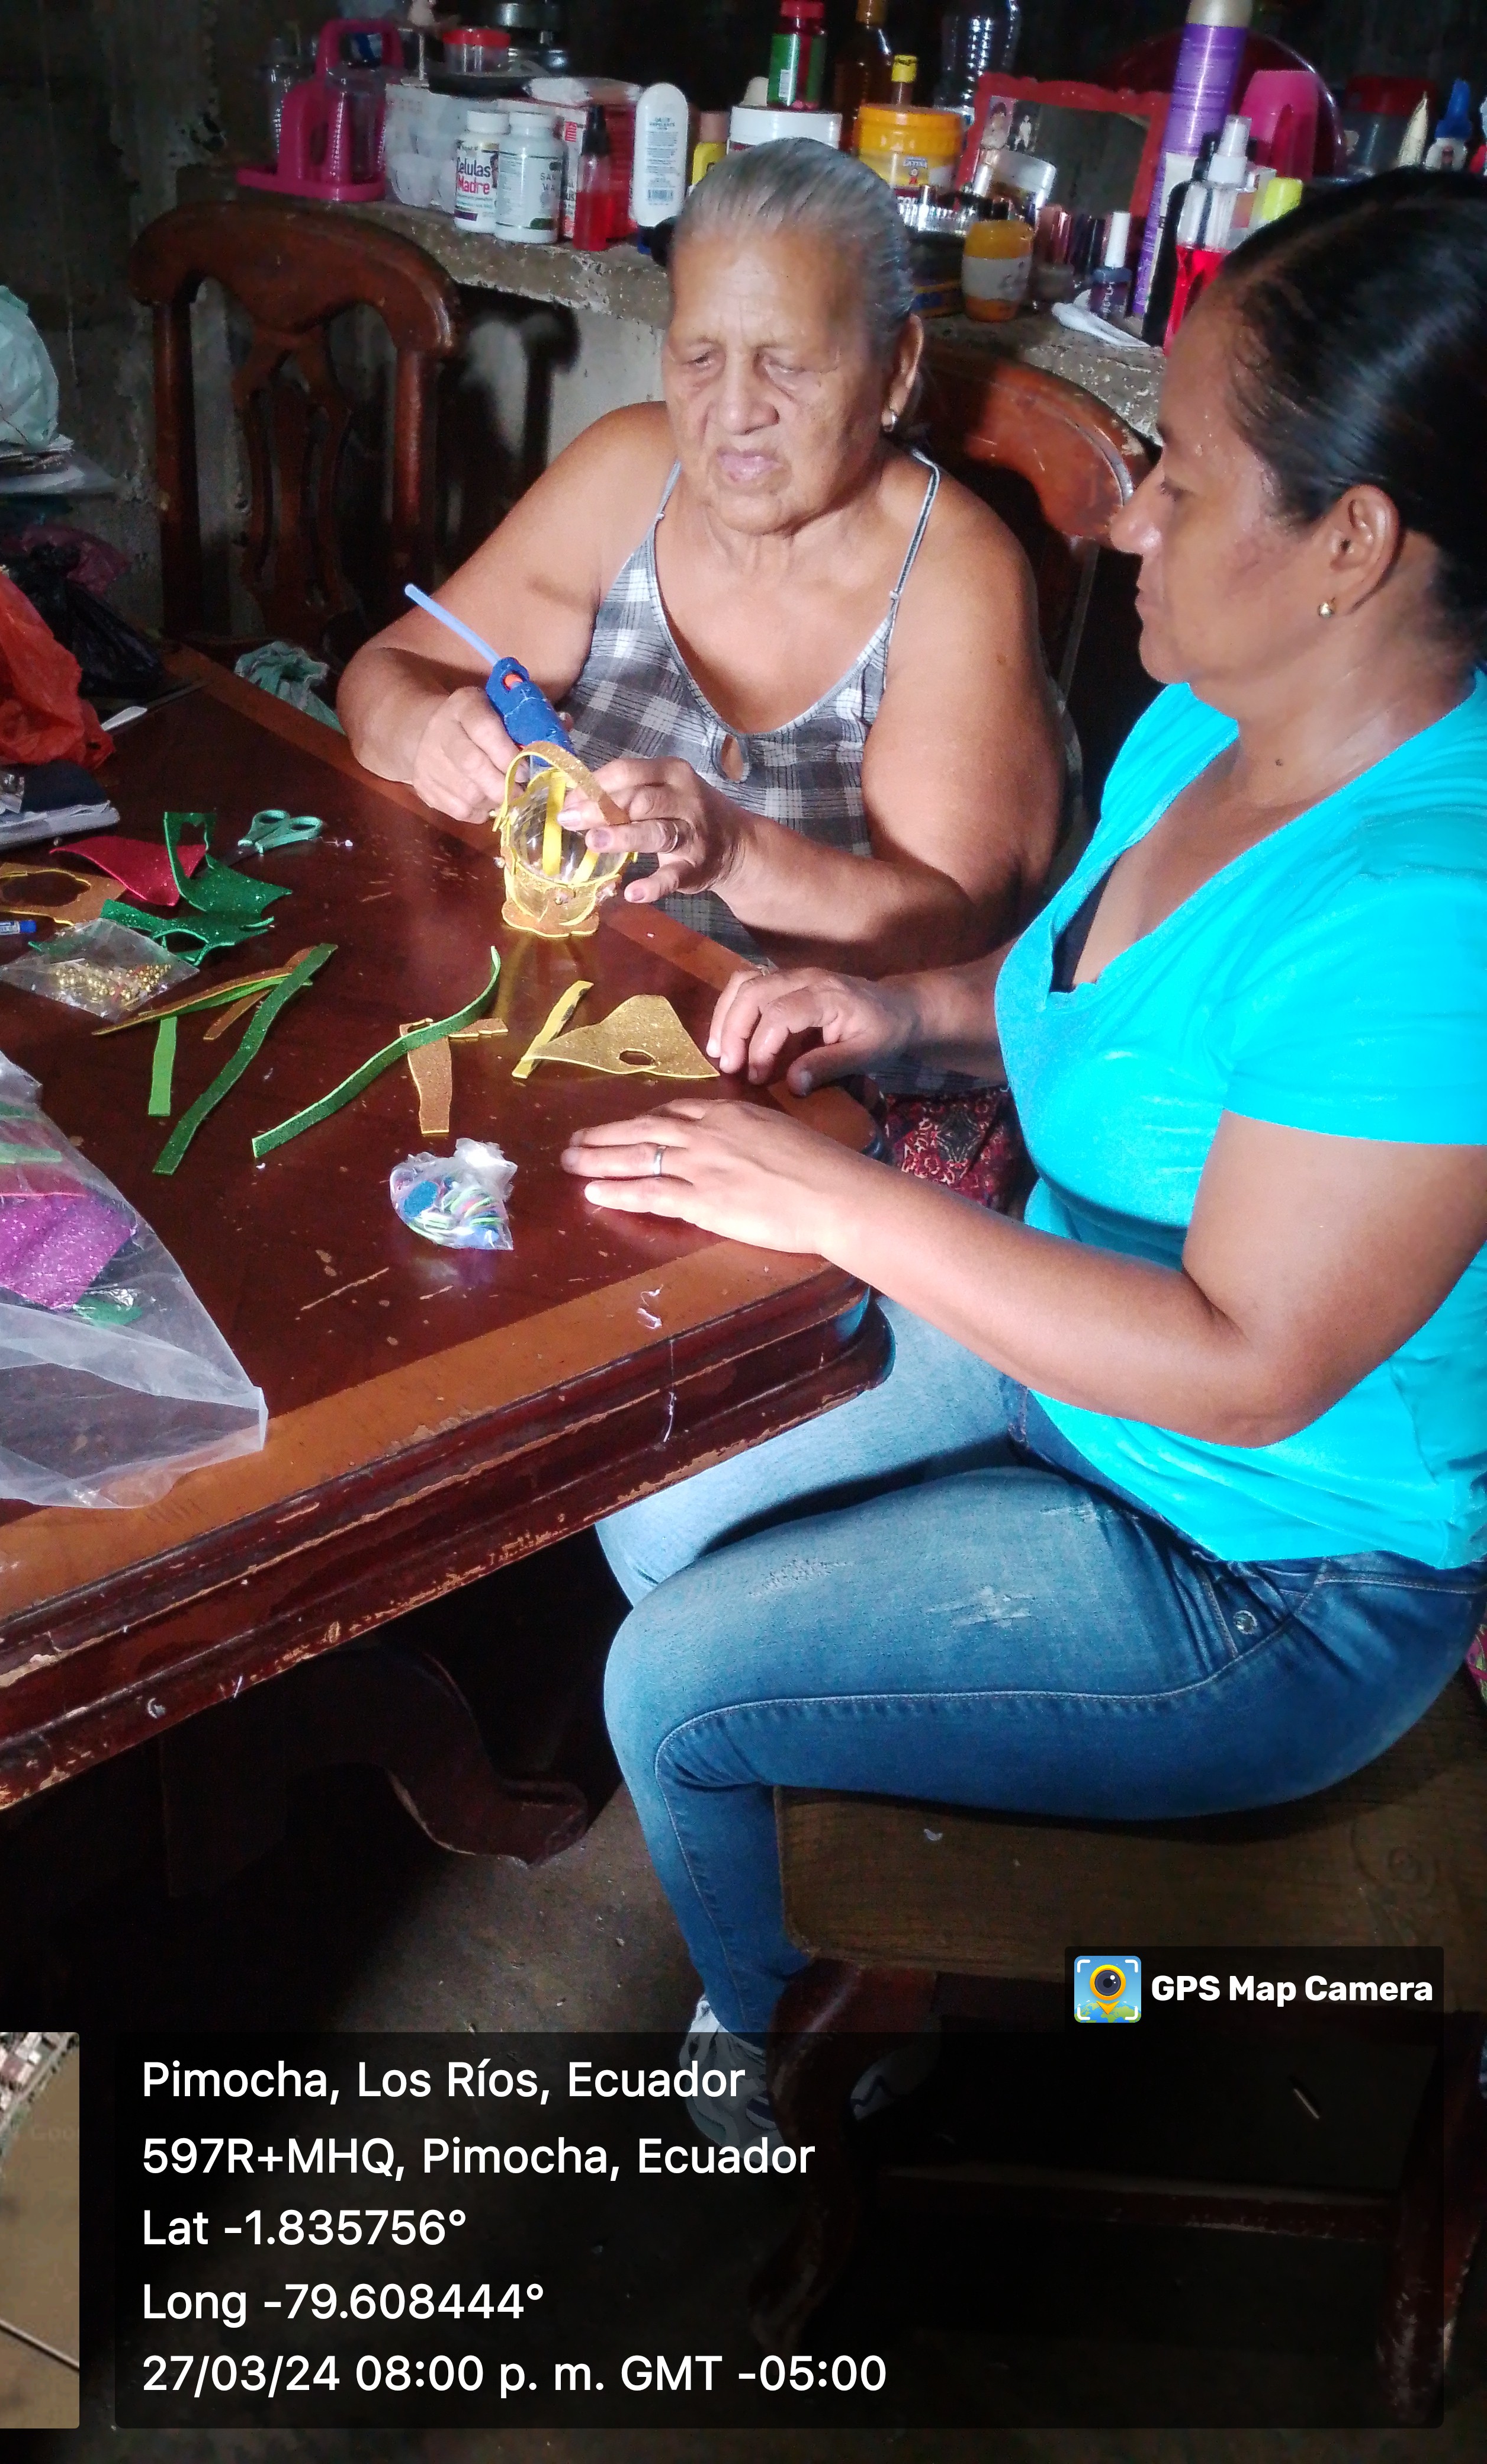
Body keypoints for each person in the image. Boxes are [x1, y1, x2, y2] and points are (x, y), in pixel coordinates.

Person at [558, 172, 1487, 2145]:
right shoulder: (1210, 718)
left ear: (1353, 540)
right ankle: (882, 1858)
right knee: (651, 1494)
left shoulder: (1430, 912)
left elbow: (1250, 1363)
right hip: (1073, 1358)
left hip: (1266, 1557)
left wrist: (836, 1197)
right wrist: (898, 1012)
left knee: (673, 1685)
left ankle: (795, 2056)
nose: (1130, 513)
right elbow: (1092, 1001)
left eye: (1184, 475)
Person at [339, 140, 1065, 987]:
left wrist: (737, 855)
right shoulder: (626, 473)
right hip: (576, 992)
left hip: (791, 1058)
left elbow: (959, 934)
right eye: (699, 357)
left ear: (897, 368)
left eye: (787, 364)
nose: (735, 409)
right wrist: (426, 734)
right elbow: (379, 675)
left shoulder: (955, 575)